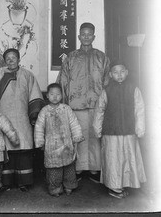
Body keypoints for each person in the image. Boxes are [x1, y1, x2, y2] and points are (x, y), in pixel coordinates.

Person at [0, 48, 45, 192]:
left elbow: (35, 95)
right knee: (5, 150)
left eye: (13, 57)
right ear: (4, 60)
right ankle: (6, 182)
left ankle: (24, 182)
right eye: (8, 58)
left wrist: (34, 115)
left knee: (23, 150)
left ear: (19, 59)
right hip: (3, 117)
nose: (11, 60)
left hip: (22, 118)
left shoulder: (28, 75)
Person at [56, 22, 110, 183]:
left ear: (93, 36)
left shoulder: (102, 57)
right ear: (79, 36)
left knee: (95, 136)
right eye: (83, 34)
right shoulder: (71, 58)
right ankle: (78, 168)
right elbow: (63, 81)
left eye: (89, 34)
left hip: (96, 103)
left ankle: (95, 168)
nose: (86, 37)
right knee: (77, 136)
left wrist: (106, 101)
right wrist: (63, 103)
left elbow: (107, 81)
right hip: (76, 104)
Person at [93, 60, 146, 199]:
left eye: (122, 71)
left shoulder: (133, 89)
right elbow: (99, 110)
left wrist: (140, 129)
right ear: (110, 74)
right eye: (115, 72)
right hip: (111, 132)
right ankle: (114, 187)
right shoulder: (106, 91)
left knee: (128, 158)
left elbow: (139, 109)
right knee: (113, 159)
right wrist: (97, 129)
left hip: (129, 131)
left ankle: (126, 183)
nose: (119, 75)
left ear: (127, 72)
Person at [34, 83, 84, 197]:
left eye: (58, 94)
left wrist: (77, 137)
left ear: (62, 96)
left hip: (66, 144)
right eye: (52, 94)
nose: (55, 97)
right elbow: (39, 127)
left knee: (69, 167)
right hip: (51, 146)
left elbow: (74, 124)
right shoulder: (44, 111)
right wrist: (39, 141)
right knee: (53, 169)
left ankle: (69, 186)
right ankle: (55, 188)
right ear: (47, 96)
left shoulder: (66, 109)